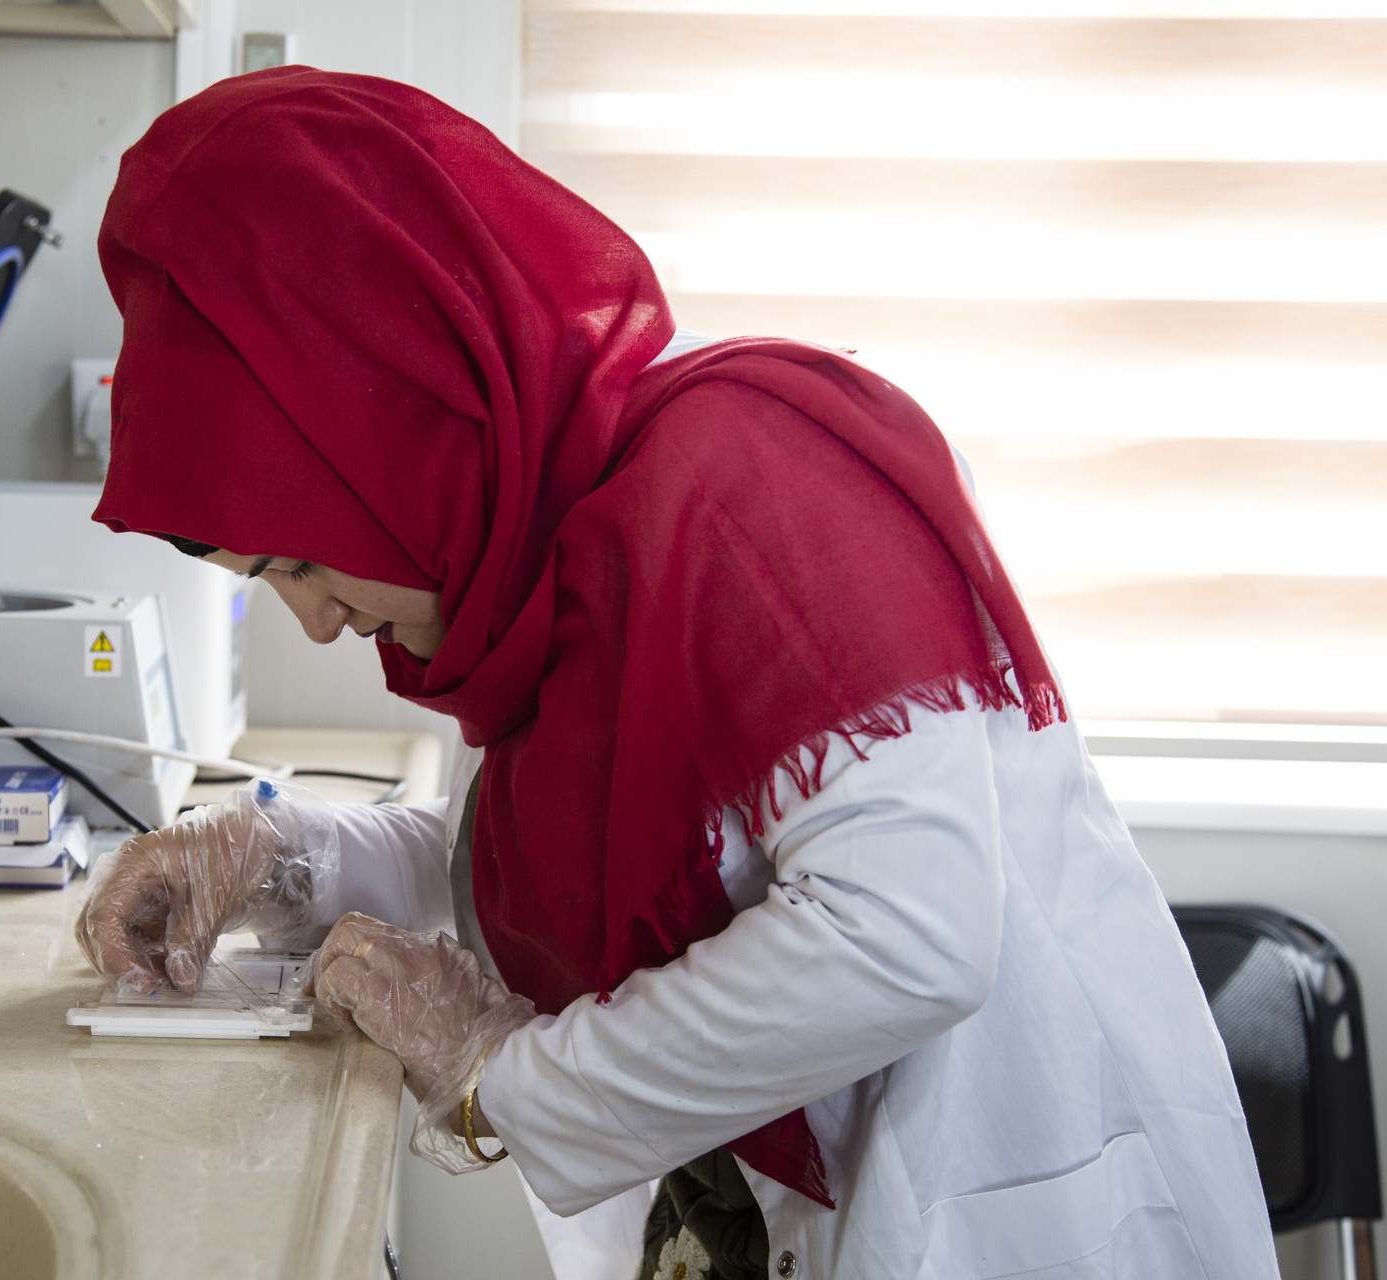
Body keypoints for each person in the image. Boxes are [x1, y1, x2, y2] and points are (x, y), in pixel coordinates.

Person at [74, 67, 1278, 1280]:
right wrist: (273, 857)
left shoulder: (754, 487)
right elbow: (562, 866)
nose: (320, 624)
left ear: (393, 430)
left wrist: (507, 1075)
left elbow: (907, 931)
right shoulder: (546, 532)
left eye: (295, 560)